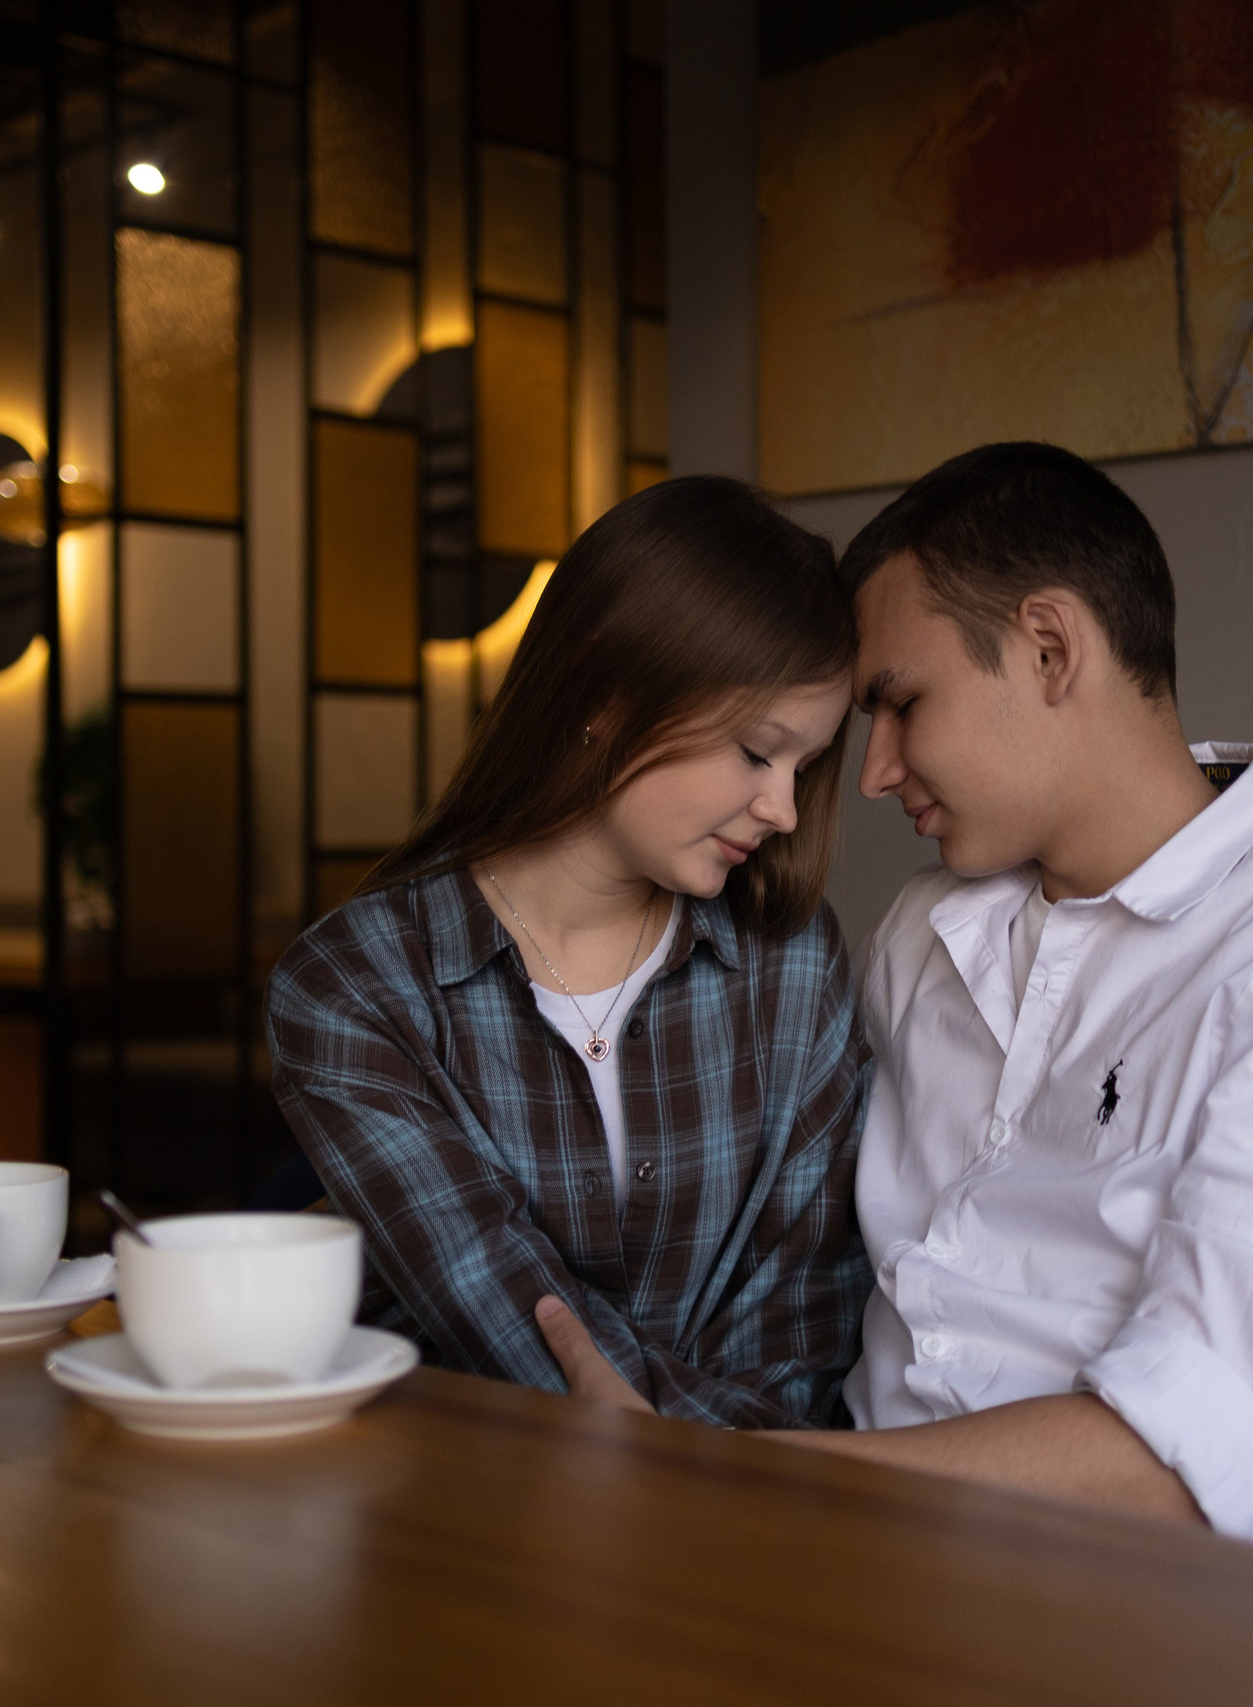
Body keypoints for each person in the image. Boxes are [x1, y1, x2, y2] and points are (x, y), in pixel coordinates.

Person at [538, 443, 1253, 1571]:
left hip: (1192, 1621)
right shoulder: (923, 935)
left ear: (1049, 648)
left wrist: (729, 1482)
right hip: (862, 1568)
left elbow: (1183, 1459)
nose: (875, 770)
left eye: (899, 703)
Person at [266, 476, 872, 1428]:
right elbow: (498, 1317)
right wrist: (708, 1458)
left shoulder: (796, 966)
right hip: (465, 1525)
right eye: (759, 752)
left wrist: (714, 1483)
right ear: (609, 685)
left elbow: (802, 1327)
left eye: (806, 766)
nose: (785, 809)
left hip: (753, 1536)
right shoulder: (350, 988)